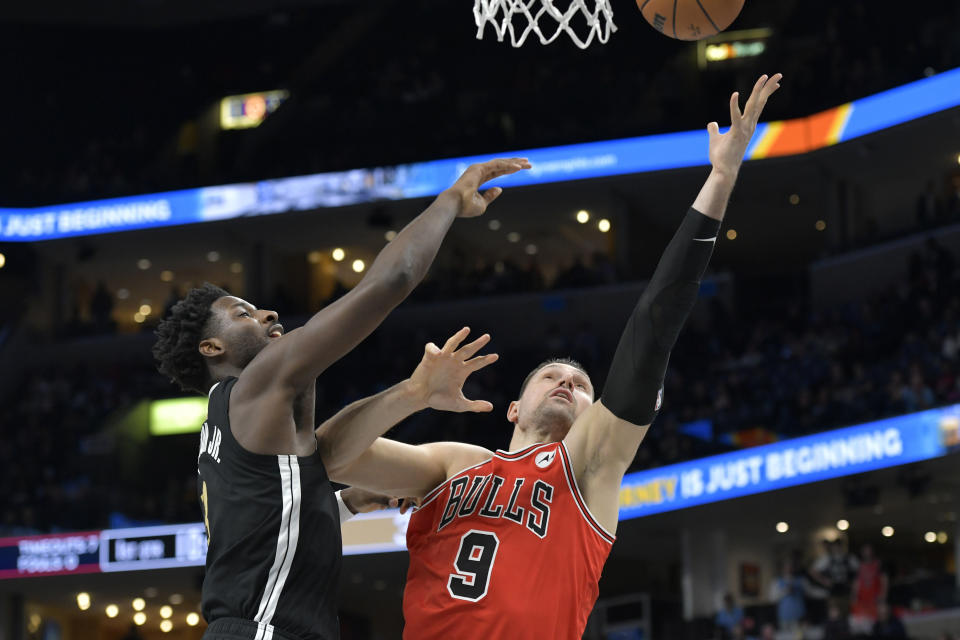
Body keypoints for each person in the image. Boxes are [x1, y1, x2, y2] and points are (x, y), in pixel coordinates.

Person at [333, 74, 783, 639]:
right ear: (513, 409)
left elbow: (653, 324)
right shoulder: (454, 462)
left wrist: (720, 177)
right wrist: (411, 395)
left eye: (583, 384)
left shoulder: (589, 465)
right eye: (551, 375)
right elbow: (329, 456)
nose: (568, 382)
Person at [151, 157, 530, 640]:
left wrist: (346, 500)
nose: (267, 312)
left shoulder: (233, 423)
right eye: (243, 314)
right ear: (212, 348)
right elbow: (390, 282)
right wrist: (451, 200)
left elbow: (273, 515)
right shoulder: (254, 387)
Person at [811, 539, 859, 616]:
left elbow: (859, 571)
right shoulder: (827, 558)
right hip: (832, 591)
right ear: (832, 548)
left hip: (846, 590)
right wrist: (824, 581)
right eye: (835, 547)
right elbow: (813, 571)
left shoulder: (849, 558)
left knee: (846, 612)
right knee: (834, 613)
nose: (837, 549)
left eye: (839, 546)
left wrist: (853, 582)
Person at [851, 544, 887, 625]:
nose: (867, 553)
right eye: (865, 551)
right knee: (862, 618)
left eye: (869, 550)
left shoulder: (878, 564)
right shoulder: (858, 565)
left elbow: (884, 580)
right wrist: (854, 595)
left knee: (876, 619)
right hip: (862, 597)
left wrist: (883, 595)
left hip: (875, 597)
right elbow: (856, 582)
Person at [770, 558, 807, 631]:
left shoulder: (801, 580)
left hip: (799, 616)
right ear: (783, 569)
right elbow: (772, 598)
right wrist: (785, 591)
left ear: (794, 568)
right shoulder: (776, 582)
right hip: (784, 616)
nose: (789, 569)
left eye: (791, 567)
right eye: (786, 567)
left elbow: (809, 592)